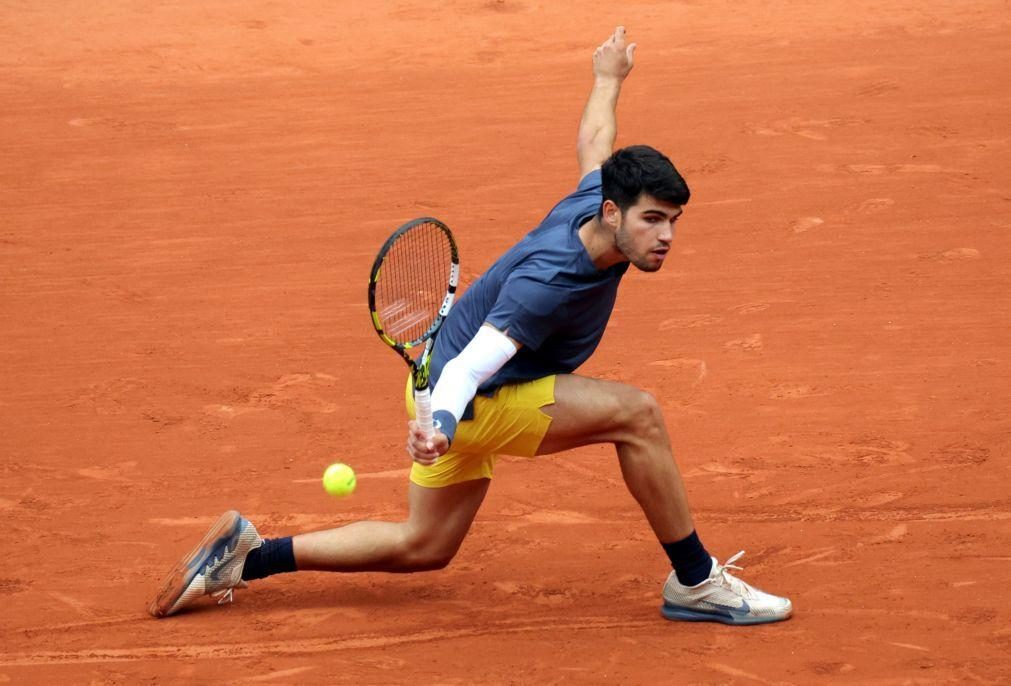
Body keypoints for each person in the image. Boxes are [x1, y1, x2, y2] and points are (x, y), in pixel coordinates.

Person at [148, 26, 792, 626]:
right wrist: (443, 426)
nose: (667, 236)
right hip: (472, 398)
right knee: (639, 416)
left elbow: (596, 143)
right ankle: (696, 581)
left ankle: (246, 555)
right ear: (614, 213)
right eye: (654, 220)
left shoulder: (592, 205)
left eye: (673, 220)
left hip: (439, 384)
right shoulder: (549, 281)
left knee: (423, 545)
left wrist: (608, 78)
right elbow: (472, 367)